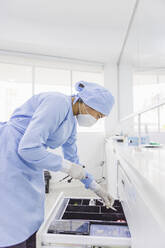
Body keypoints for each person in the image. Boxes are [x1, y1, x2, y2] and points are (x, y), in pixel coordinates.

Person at [0, 81, 115, 248]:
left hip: (30, 163)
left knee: (30, 214)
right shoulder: (57, 102)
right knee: (11, 217)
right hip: (9, 155)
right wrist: (66, 167)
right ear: (88, 103)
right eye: (98, 115)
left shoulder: (71, 124)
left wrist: (96, 187)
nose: (97, 120)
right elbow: (28, 148)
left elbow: (74, 160)